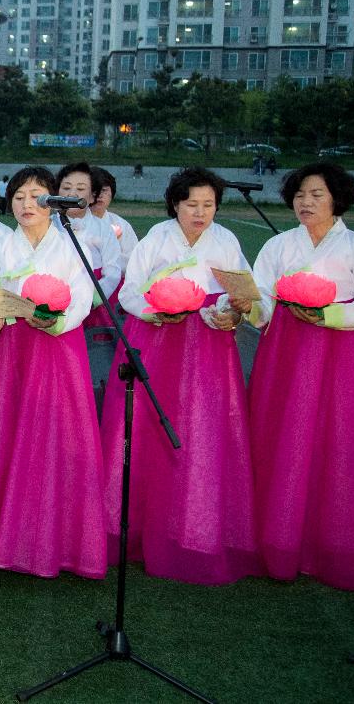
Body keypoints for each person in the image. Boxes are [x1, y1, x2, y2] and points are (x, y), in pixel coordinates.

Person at [0, 167, 105, 579]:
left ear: (53, 202)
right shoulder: (1, 243)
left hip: (55, 349)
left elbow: (82, 298)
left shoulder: (73, 244)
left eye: (36, 196)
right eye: (18, 197)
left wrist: (56, 322)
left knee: (52, 436)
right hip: (10, 349)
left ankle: (53, 542)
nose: (26, 205)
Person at [100, 167, 261, 586]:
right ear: (175, 203)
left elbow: (243, 291)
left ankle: (193, 532)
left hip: (208, 347)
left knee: (202, 434)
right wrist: (161, 310)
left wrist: (228, 309)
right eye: (192, 204)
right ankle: (132, 530)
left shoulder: (225, 241)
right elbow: (132, 292)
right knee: (146, 430)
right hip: (157, 342)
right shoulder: (156, 237)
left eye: (208, 205)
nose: (200, 213)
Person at [248, 163, 354, 590]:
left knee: (338, 441)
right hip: (286, 350)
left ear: (337, 199)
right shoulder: (278, 245)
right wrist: (245, 306)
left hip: (341, 353)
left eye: (317, 195)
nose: (306, 202)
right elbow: (262, 299)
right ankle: (277, 541)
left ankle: (336, 546)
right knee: (280, 436)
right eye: (301, 194)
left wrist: (328, 314)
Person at [55, 162, 123, 330]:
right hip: (56, 301)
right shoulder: (48, 226)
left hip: (96, 301)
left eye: (80, 189)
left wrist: (93, 299)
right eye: (66, 188)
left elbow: (113, 271)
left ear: (92, 196)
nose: (71, 194)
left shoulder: (103, 229)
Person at [89, 166, 139, 261]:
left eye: (104, 190)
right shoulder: (72, 223)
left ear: (112, 193)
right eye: (94, 190)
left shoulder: (122, 225)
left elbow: (133, 260)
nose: (99, 195)